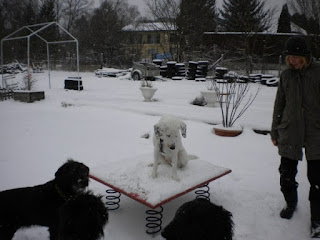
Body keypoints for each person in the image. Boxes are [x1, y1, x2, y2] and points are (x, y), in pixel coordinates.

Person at [271, 35, 320, 238]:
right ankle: (291, 203)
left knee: (317, 179)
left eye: (297, 57)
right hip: (290, 131)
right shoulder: (286, 76)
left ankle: (317, 220)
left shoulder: (318, 73)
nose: (293, 61)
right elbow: (279, 105)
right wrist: (275, 130)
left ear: (306, 57)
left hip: (316, 132)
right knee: (286, 173)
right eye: (290, 57)